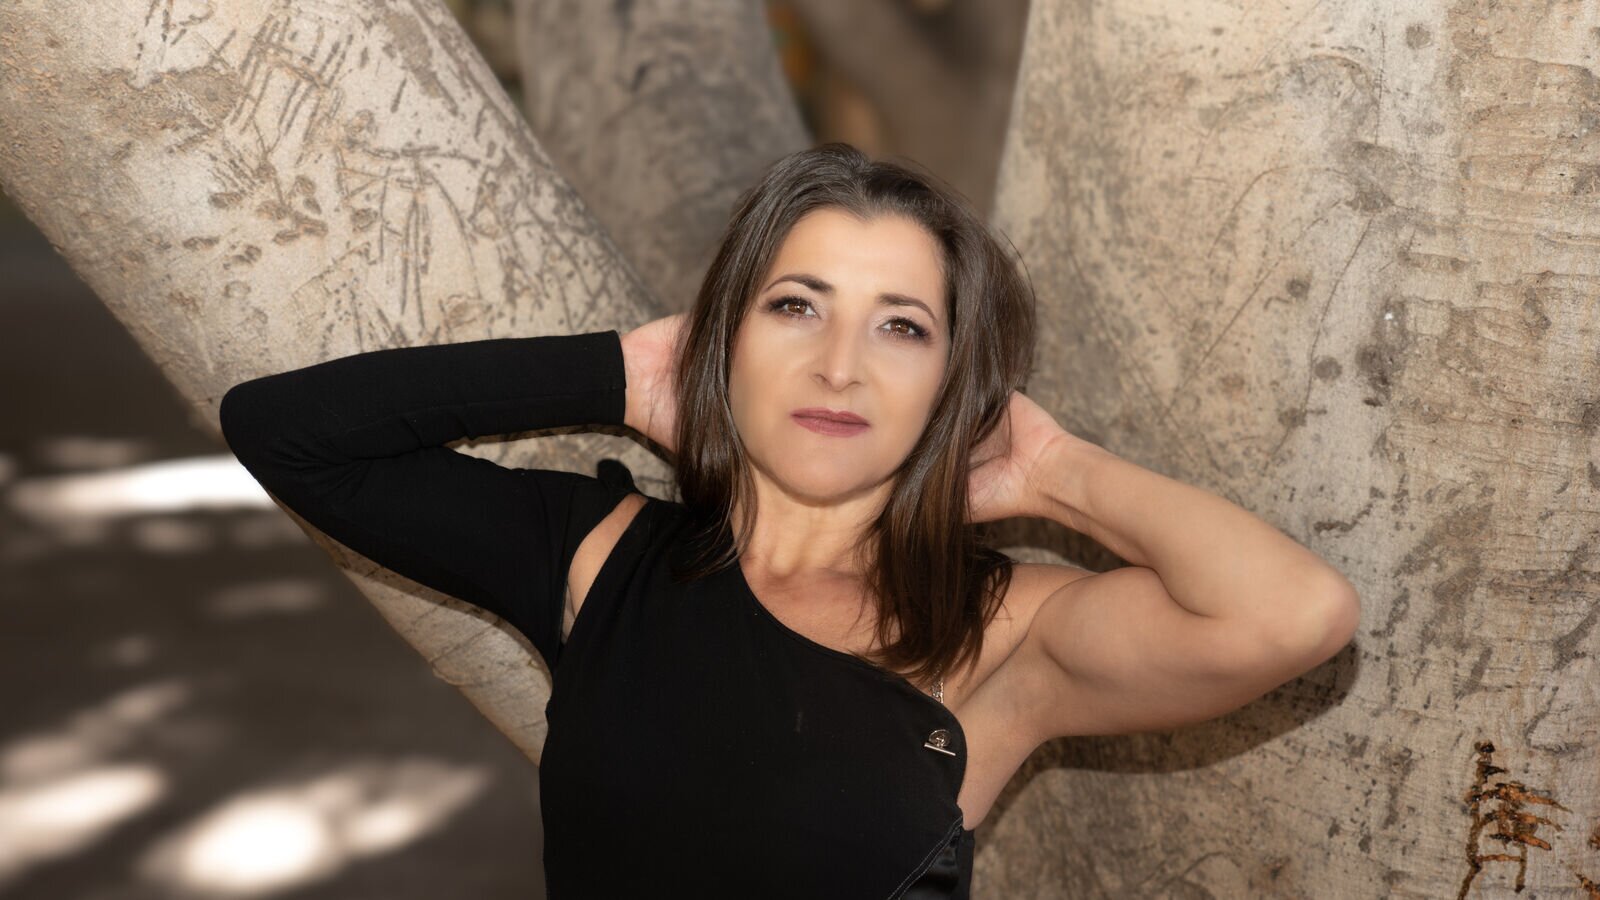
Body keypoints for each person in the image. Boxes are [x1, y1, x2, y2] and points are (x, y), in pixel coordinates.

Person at [219, 143, 1360, 899]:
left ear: (953, 385)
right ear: (726, 340)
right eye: (795, 306)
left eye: (902, 327)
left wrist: (1056, 474)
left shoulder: (999, 628)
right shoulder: (600, 557)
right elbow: (287, 432)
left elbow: (1293, 615)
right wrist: (619, 374)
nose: (839, 365)